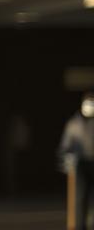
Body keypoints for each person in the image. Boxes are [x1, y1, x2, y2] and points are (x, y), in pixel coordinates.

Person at [59, 90, 94, 229]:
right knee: (80, 197)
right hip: (81, 164)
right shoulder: (74, 124)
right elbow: (65, 146)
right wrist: (68, 166)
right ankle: (80, 226)